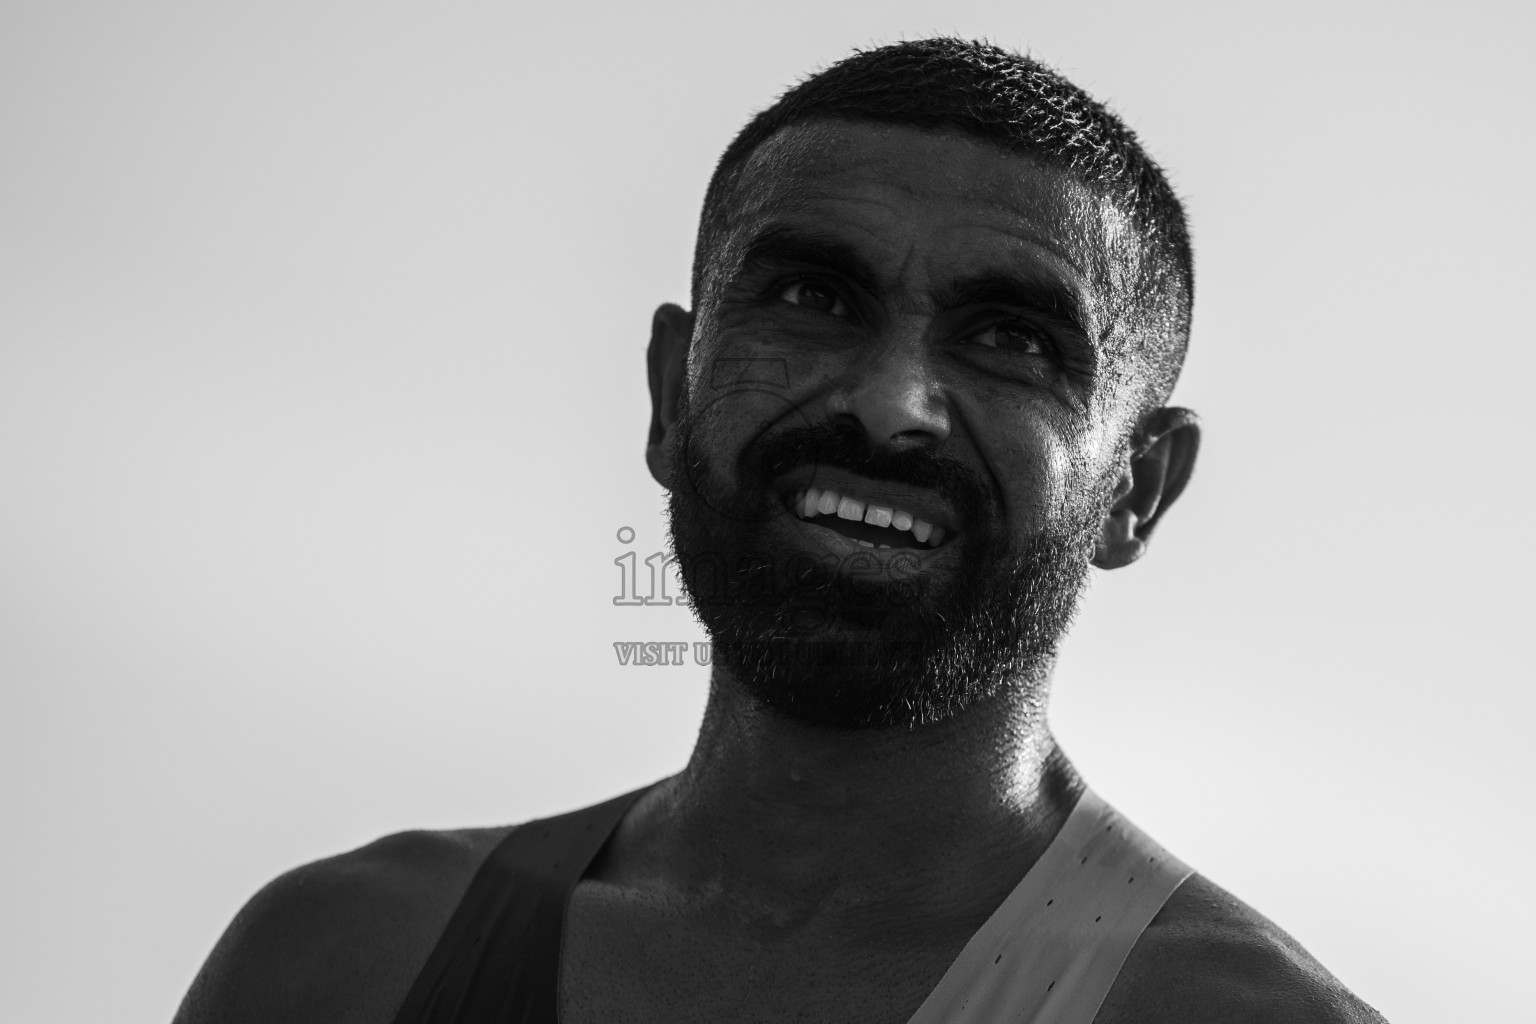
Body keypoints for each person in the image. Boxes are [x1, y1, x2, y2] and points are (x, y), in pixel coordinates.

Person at [175, 38, 1387, 1024]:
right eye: (814, 297)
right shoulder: (347, 962)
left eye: (1009, 339)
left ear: (1137, 487)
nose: (888, 403)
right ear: (670, 392)